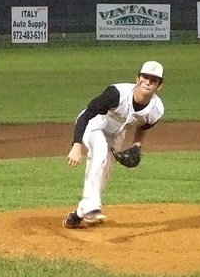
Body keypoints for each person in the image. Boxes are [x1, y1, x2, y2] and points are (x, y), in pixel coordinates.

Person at [64, 60, 165, 229]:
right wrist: (76, 145)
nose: (148, 82)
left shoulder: (156, 109)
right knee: (100, 151)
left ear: (159, 86)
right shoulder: (116, 93)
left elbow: (143, 125)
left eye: (153, 80)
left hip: (116, 135)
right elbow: (86, 115)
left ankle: (79, 214)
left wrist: (137, 145)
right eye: (145, 77)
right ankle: (91, 204)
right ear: (138, 79)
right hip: (94, 125)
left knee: (103, 173)